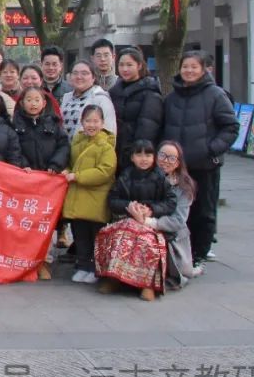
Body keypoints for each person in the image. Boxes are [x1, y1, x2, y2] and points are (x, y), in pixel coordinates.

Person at [161, 50, 238, 276]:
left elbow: (230, 127)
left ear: (204, 69)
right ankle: (180, 252)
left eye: (194, 67)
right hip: (176, 166)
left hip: (204, 165)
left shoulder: (215, 95)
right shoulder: (172, 97)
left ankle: (198, 255)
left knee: (203, 211)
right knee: (176, 209)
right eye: (185, 66)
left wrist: (211, 149)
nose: (189, 71)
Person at [95, 140, 177, 301]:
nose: (143, 159)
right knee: (116, 236)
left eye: (148, 154)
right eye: (139, 154)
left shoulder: (160, 177)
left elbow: (170, 202)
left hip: (152, 224)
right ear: (132, 157)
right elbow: (113, 200)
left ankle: (146, 285)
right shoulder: (125, 176)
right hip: (127, 219)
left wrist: (151, 209)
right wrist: (129, 206)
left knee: (146, 241)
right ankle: (114, 279)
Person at [13, 85, 70, 280]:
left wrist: (55, 164)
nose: (33, 104)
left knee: (46, 224)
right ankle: (26, 262)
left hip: (48, 182)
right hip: (25, 181)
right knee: (26, 223)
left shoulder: (54, 123)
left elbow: (64, 146)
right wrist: (23, 165)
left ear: (44, 103)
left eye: (37, 100)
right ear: (22, 103)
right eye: (29, 100)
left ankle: (44, 261)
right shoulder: (15, 125)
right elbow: (13, 148)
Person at [61, 105, 117, 284]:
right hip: (78, 196)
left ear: (102, 123)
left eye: (95, 121)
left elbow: (105, 171)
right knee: (80, 234)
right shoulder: (77, 141)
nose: (91, 125)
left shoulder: (106, 146)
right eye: (88, 121)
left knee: (95, 236)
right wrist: (66, 171)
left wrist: (77, 176)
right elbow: (71, 162)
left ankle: (94, 267)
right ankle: (82, 264)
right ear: (82, 122)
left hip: (96, 198)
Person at [108, 47, 163, 171]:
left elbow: (148, 128)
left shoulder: (150, 92)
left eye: (129, 65)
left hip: (136, 156)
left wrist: (136, 153)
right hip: (114, 152)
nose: (125, 69)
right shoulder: (114, 91)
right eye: (121, 65)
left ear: (139, 65)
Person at [156, 141, 196, 289]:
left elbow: (178, 220)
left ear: (178, 162)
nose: (166, 161)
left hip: (171, 233)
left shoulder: (184, 186)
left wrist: (153, 223)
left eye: (172, 158)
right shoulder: (145, 176)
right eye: (162, 155)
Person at [60, 60, 117, 138]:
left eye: (84, 73)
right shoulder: (66, 98)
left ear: (93, 77)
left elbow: (110, 132)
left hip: (90, 149)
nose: (79, 77)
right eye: (75, 73)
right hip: (65, 148)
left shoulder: (101, 99)